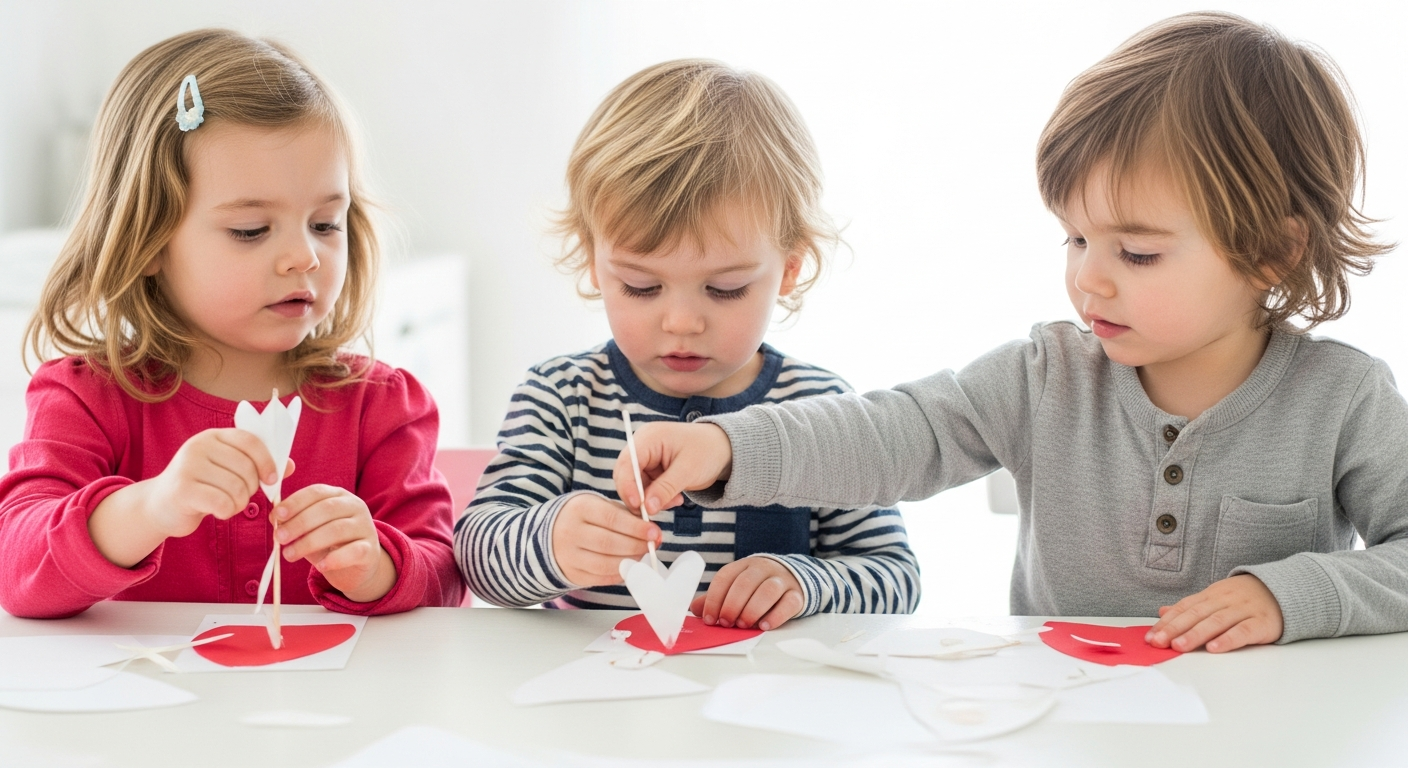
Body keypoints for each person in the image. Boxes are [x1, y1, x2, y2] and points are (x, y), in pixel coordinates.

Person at [617, 13, 1408, 652]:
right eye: (1076, 238)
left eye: (1137, 252)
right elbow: (898, 432)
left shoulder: (1345, 398)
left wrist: (1291, 595)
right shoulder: (1046, 375)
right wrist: (728, 448)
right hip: (1068, 720)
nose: (1089, 278)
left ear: (1272, 251)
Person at [0, 29, 464, 619]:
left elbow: (444, 581)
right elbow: (17, 572)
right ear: (149, 242)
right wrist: (151, 508)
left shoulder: (382, 407)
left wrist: (377, 568)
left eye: (325, 224)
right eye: (251, 231)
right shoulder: (85, 398)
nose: (305, 257)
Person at [456, 60, 918, 630]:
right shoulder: (562, 396)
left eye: (725, 289)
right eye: (641, 286)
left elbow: (896, 579)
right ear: (592, 260)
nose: (681, 323)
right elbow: (476, 558)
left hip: (764, 685)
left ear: (790, 269)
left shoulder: (820, 406)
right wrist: (550, 542)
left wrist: (807, 583)